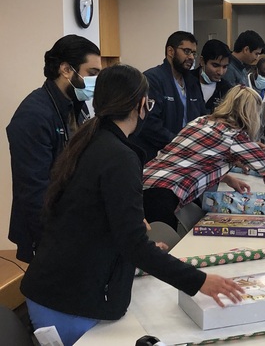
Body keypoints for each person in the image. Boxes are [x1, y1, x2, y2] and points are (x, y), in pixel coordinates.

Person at [20, 65, 243, 346]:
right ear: (141, 106)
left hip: (54, 288)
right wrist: (200, 282)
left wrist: (136, 255)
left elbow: (95, 223)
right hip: (68, 302)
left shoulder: (90, 140)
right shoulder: (118, 155)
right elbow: (132, 242)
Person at [142, 85, 265, 230]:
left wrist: (226, 177)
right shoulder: (234, 136)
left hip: (141, 185)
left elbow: (193, 157)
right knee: (154, 269)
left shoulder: (202, 121)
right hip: (162, 197)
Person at [7, 34, 102, 263]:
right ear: (66, 69)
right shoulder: (33, 115)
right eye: (92, 73)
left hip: (71, 222)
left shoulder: (74, 106)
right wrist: (62, 240)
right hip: (47, 233)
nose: (95, 82)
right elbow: (34, 191)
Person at [132, 31, 206, 162]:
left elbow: (202, 118)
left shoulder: (192, 82)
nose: (191, 57)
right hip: (157, 156)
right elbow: (150, 124)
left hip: (188, 156)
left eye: (194, 53)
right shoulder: (152, 79)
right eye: (187, 51)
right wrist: (180, 144)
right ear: (171, 51)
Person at [192, 39, 232, 113]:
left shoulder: (227, 90)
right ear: (202, 61)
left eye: (224, 67)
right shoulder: (185, 81)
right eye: (215, 65)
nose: (220, 72)